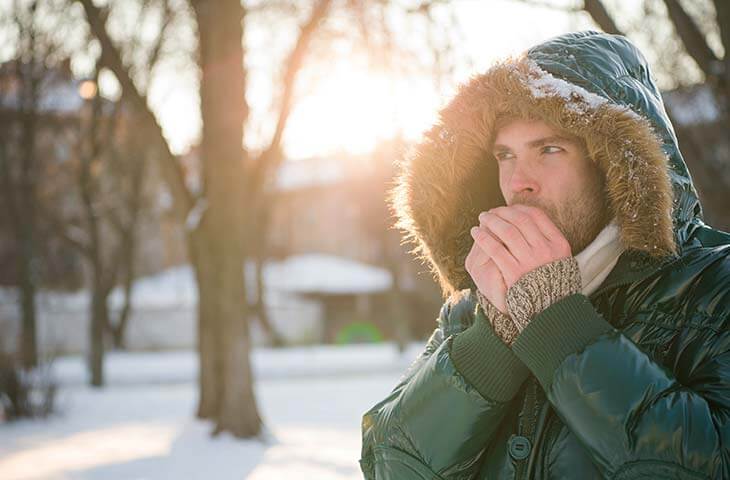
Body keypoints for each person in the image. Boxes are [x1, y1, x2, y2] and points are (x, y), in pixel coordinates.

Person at [359, 31, 729, 480]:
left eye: (549, 149)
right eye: (505, 155)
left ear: (612, 167)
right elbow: (389, 467)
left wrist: (555, 321)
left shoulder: (715, 288)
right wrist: (493, 338)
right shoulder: (477, 305)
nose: (518, 183)